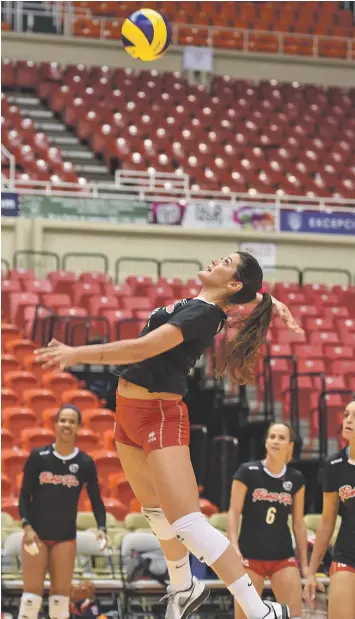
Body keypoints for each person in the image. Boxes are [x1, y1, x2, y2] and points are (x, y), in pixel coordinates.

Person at [36, 251, 304, 619]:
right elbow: (245, 294)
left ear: (233, 283)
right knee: (154, 512)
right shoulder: (207, 305)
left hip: (159, 415)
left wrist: (76, 353)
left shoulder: (204, 314)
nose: (215, 261)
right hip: (127, 412)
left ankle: (260, 611)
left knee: (187, 522)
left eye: (224, 262)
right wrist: (270, 302)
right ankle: (182, 586)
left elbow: (143, 347)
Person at [18, 405, 108, 619]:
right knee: (31, 598)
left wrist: (102, 527)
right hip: (36, 536)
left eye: (71, 422)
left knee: (60, 599)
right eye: (63, 421)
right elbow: (23, 495)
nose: (66, 425)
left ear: (78, 428)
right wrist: (26, 526)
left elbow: (96, 499)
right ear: (56, 424)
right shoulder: (39, 456)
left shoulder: (85, 462)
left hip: (65, 537)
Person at [228, 423, 308, 619]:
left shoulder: (296, 479)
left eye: (281, 438)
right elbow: (233, 513)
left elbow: (298, 523)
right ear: (265, 442)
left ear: (290, 445)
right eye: (272, 436)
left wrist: (305, 565)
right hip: (249, 557)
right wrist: (234, 548)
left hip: (282, 557)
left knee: (293, 615)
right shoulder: (247, 472)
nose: (275, 441)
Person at [304, 399, 355, 619]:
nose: (349, 421)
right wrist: (311, 572)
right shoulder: (333, 465)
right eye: (346, 415)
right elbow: (327, 521)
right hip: (347, 553)